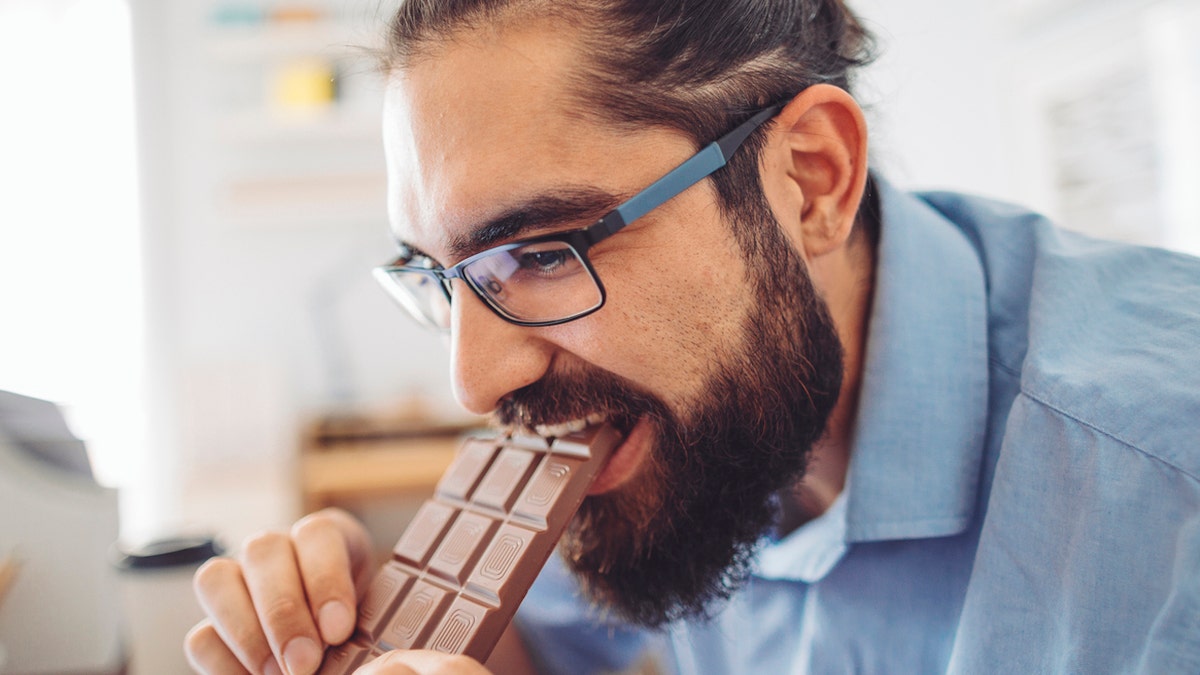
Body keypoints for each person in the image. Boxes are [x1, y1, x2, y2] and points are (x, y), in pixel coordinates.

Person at [185, 0, 1200, 673]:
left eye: (539, 252)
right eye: (443, 277)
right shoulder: (680, 421)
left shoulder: (1165, 507)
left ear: (811, 180)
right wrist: (371, 633)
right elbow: (548, 644)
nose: (475, 383)